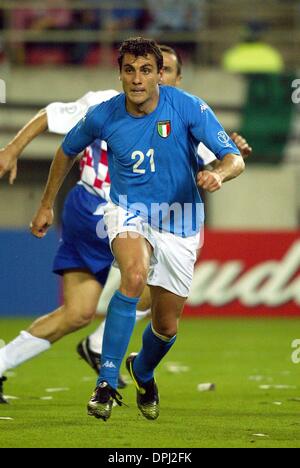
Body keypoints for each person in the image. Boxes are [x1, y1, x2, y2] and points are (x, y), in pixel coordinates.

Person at [0, 44, 250, 406]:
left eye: (155, 71)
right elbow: (52, 118)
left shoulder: (185, 109)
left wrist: (229, 160)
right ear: (122, 73)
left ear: (170, 78)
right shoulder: (103, 105)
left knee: (157, 313)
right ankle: (103, 368)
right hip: (99, 208)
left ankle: (116, 353)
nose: (142, 79)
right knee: (123, 284)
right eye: (132, 70)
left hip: (169, 221)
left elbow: (227, 158)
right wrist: (12, 152)